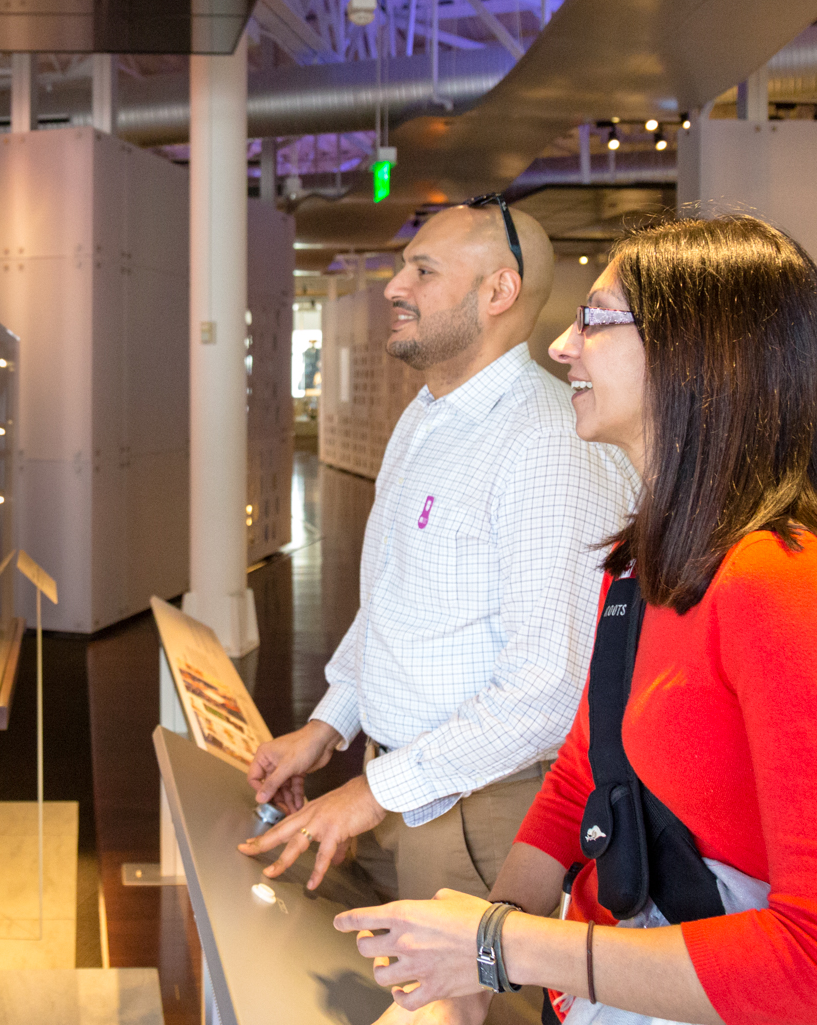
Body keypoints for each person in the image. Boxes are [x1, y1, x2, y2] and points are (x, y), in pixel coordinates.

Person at [335, 216, 817, 1025]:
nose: (563, 345)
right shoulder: (650, 557)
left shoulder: (783, 587)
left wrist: (501, 947)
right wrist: (481, 943)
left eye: (596, 320)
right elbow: (585, 770)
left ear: (705, 354)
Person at [239, 196, 637, 938]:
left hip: (481, 815)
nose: (394, 287)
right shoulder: (426, 415)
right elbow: (396, 601)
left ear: (498, 292)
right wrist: (329, 727)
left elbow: (549, 689)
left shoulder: (549, 443)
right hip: (405, 790)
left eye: (421, 270)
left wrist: (372, 793)